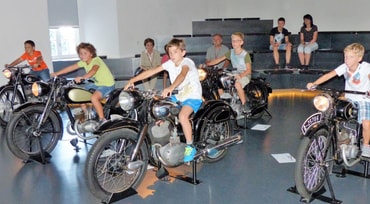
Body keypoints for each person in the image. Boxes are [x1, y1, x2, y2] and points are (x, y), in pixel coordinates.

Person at [125, 38, 202, 162]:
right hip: (180, 95)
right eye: (170, 53)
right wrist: (132, 80)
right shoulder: (169, 64)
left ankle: (190, 146)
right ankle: (159, 143)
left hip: (192, 96)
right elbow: (151, 71)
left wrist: (171, 87)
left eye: (175, 52)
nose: (172, 55)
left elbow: (182, 75)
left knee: (183, 116)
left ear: (183, 52)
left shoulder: (187, 62)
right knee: (157, 110)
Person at [306, 43, 370, 157]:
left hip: (364, 99)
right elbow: (330, 75)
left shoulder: (365, 67)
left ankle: (366, 146)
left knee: (366, 123)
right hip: (349, 98)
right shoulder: (344, 67)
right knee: (330, 112)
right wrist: (314, 84)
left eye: (351, 57)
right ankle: (340, 137)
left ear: (359, 58)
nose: (347, 59)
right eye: (345, 56)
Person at [51, 42, 115, 124]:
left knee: (94, 98)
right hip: (97, 84)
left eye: (85, 53)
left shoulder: (96, 60)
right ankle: (86, 114)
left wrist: (83, 77)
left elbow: (93, 70)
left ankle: (102, 119)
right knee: (80, 92)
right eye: (80, 53)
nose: (82, 55)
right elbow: (71, 67)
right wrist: (56, 73)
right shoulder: (84, 62)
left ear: (91, 54)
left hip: (107, 84)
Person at [206, 32, 252, 113]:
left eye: (236, 41)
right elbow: (219, 60)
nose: (234, 43)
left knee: (237, 84)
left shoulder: (245, 54)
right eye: (233, 41)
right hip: (234, 72)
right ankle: (225, 99)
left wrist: (240, 75)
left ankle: (245, 104)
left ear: (241, 42)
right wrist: (207, 64)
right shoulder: (231, 52)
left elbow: (248, 70)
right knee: (219, 80)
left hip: (244, 74)